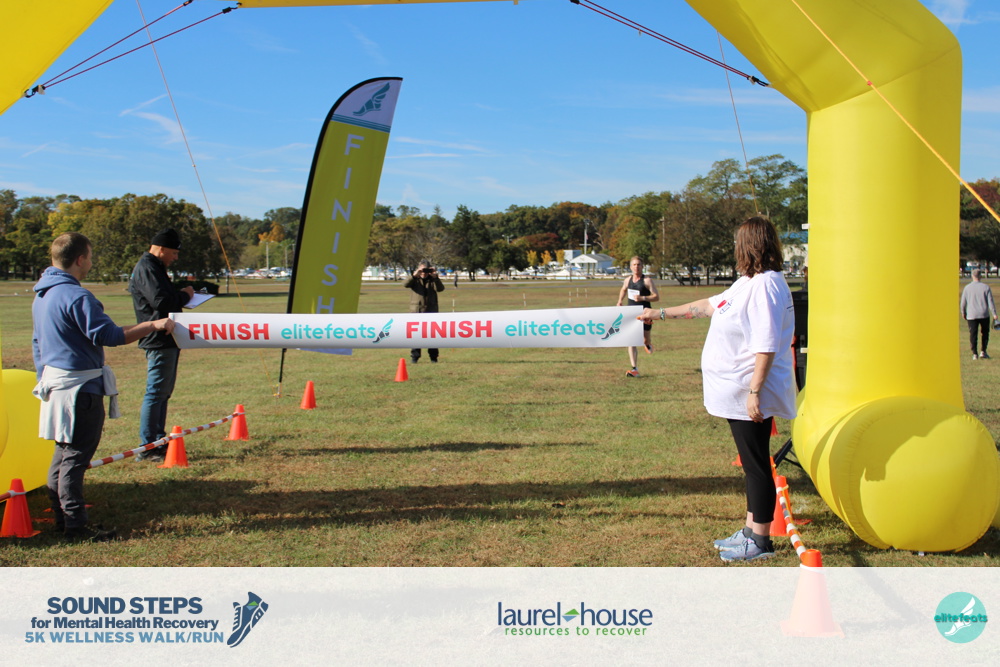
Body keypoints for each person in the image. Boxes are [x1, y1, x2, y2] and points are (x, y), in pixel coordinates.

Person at [640, 216, 797, 562]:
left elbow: (767, 345)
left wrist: (754, 392)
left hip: (748, 392)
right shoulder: (747, 283)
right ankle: (750, 530)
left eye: (739, 242)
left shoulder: (766, 286)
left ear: (750, 245)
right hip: (737, 391)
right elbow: (708, 306)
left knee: (756, 464)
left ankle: (761, 541)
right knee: (751, 463)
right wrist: (659, 314)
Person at [32, 232, 174, 542]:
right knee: (75, 459)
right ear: (80, 259)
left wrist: (44, 378)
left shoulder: (42, 295)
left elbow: (37, 343)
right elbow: (109, 335)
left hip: (55, 386)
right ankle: (75, 526)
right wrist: (153, 324)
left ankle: (62, 518)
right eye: (91, 257)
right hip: (79, 391)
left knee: (62, 454)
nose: (91, 263)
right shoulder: (77, 296)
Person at [129, 228, 194, 461]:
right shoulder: (147, 267)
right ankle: (147, 447)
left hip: (168, 338)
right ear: (161, 248)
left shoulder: (155, 267)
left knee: (163, 393)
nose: (175, 258)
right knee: (156, 392)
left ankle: (158, 440)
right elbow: (161, 301)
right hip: (157, 339)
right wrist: (185, 295)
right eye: (173, 253)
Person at [616, 256, 659, 377]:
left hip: (645, 314)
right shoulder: (627, 280)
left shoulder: (647, 281)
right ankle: (634, 368)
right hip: (631, 314)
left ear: (642, 266)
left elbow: (656, 297)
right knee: (631, 341)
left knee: (645, 339)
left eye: (639, 264)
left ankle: (648, 344)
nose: (636, 267)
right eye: (634, 265)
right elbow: (623, 289)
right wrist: (620, 301)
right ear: (631, 267)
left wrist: (643, 298)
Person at [404, 261, 445, 363]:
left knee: (432, 336)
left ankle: (433, 357)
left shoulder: (432, 280)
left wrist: (435, 277)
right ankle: (415, 357)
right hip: (417, 312)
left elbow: (440, 289)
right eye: (422, 270)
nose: (424, 273)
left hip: (431, 311)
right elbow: (405, 284)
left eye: (426, 270)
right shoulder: (415, 280)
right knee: (416, 336)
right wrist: (414, 275)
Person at [960, 268, 997, 360]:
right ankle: (983, 351)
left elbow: (963, 303)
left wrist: (963, 312)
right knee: (985, 333)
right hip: (984, 314)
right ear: (980, 276)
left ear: (972, 276)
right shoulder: (986, 287)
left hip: (972, 315)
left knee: (973, 334)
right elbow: (990, 302)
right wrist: (994, 314)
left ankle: (974, 353)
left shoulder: (967, 288)